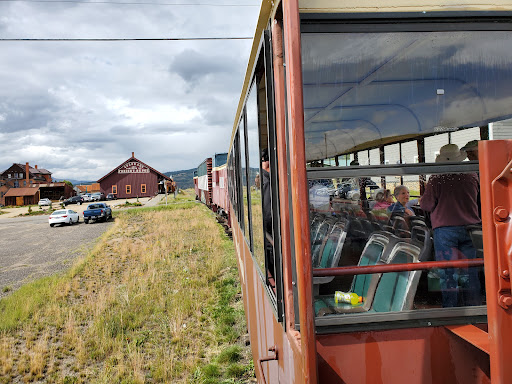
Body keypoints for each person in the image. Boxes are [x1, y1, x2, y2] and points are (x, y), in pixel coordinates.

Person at [420, 143, 481, 307]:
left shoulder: (437, 178)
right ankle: (474, 307)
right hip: (471, 228)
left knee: (449, 271)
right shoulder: (471, 176)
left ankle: (451, 308)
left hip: (445, 230)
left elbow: (426, 205)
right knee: (471, 269)